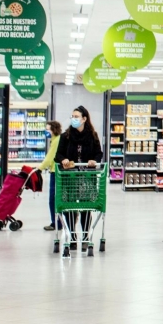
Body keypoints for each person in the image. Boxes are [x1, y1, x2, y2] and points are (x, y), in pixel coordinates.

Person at [54, 106, 103, 251]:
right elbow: (58, 155)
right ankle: (73, 237)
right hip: (70, 177)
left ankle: (86, 237)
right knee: (70, 207)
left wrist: (94, 160)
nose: (73, 119)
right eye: (72, 116)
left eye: (76, 116)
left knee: (85, 207)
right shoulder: (66, 136)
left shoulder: (93, 135)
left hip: (87, 177)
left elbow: (99, 153)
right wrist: (63, 160)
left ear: (84, 119)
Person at [41, 120, 62, 231]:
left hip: (56, 172)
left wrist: (39, 168)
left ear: (54, 130)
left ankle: (56, 223)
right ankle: (59, 222)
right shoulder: (55, 139)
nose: (46, 131)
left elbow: (50, 158)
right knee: (57, 198)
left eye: (48, 129)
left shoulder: (56, 141)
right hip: (56, 171)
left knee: (53, 199)